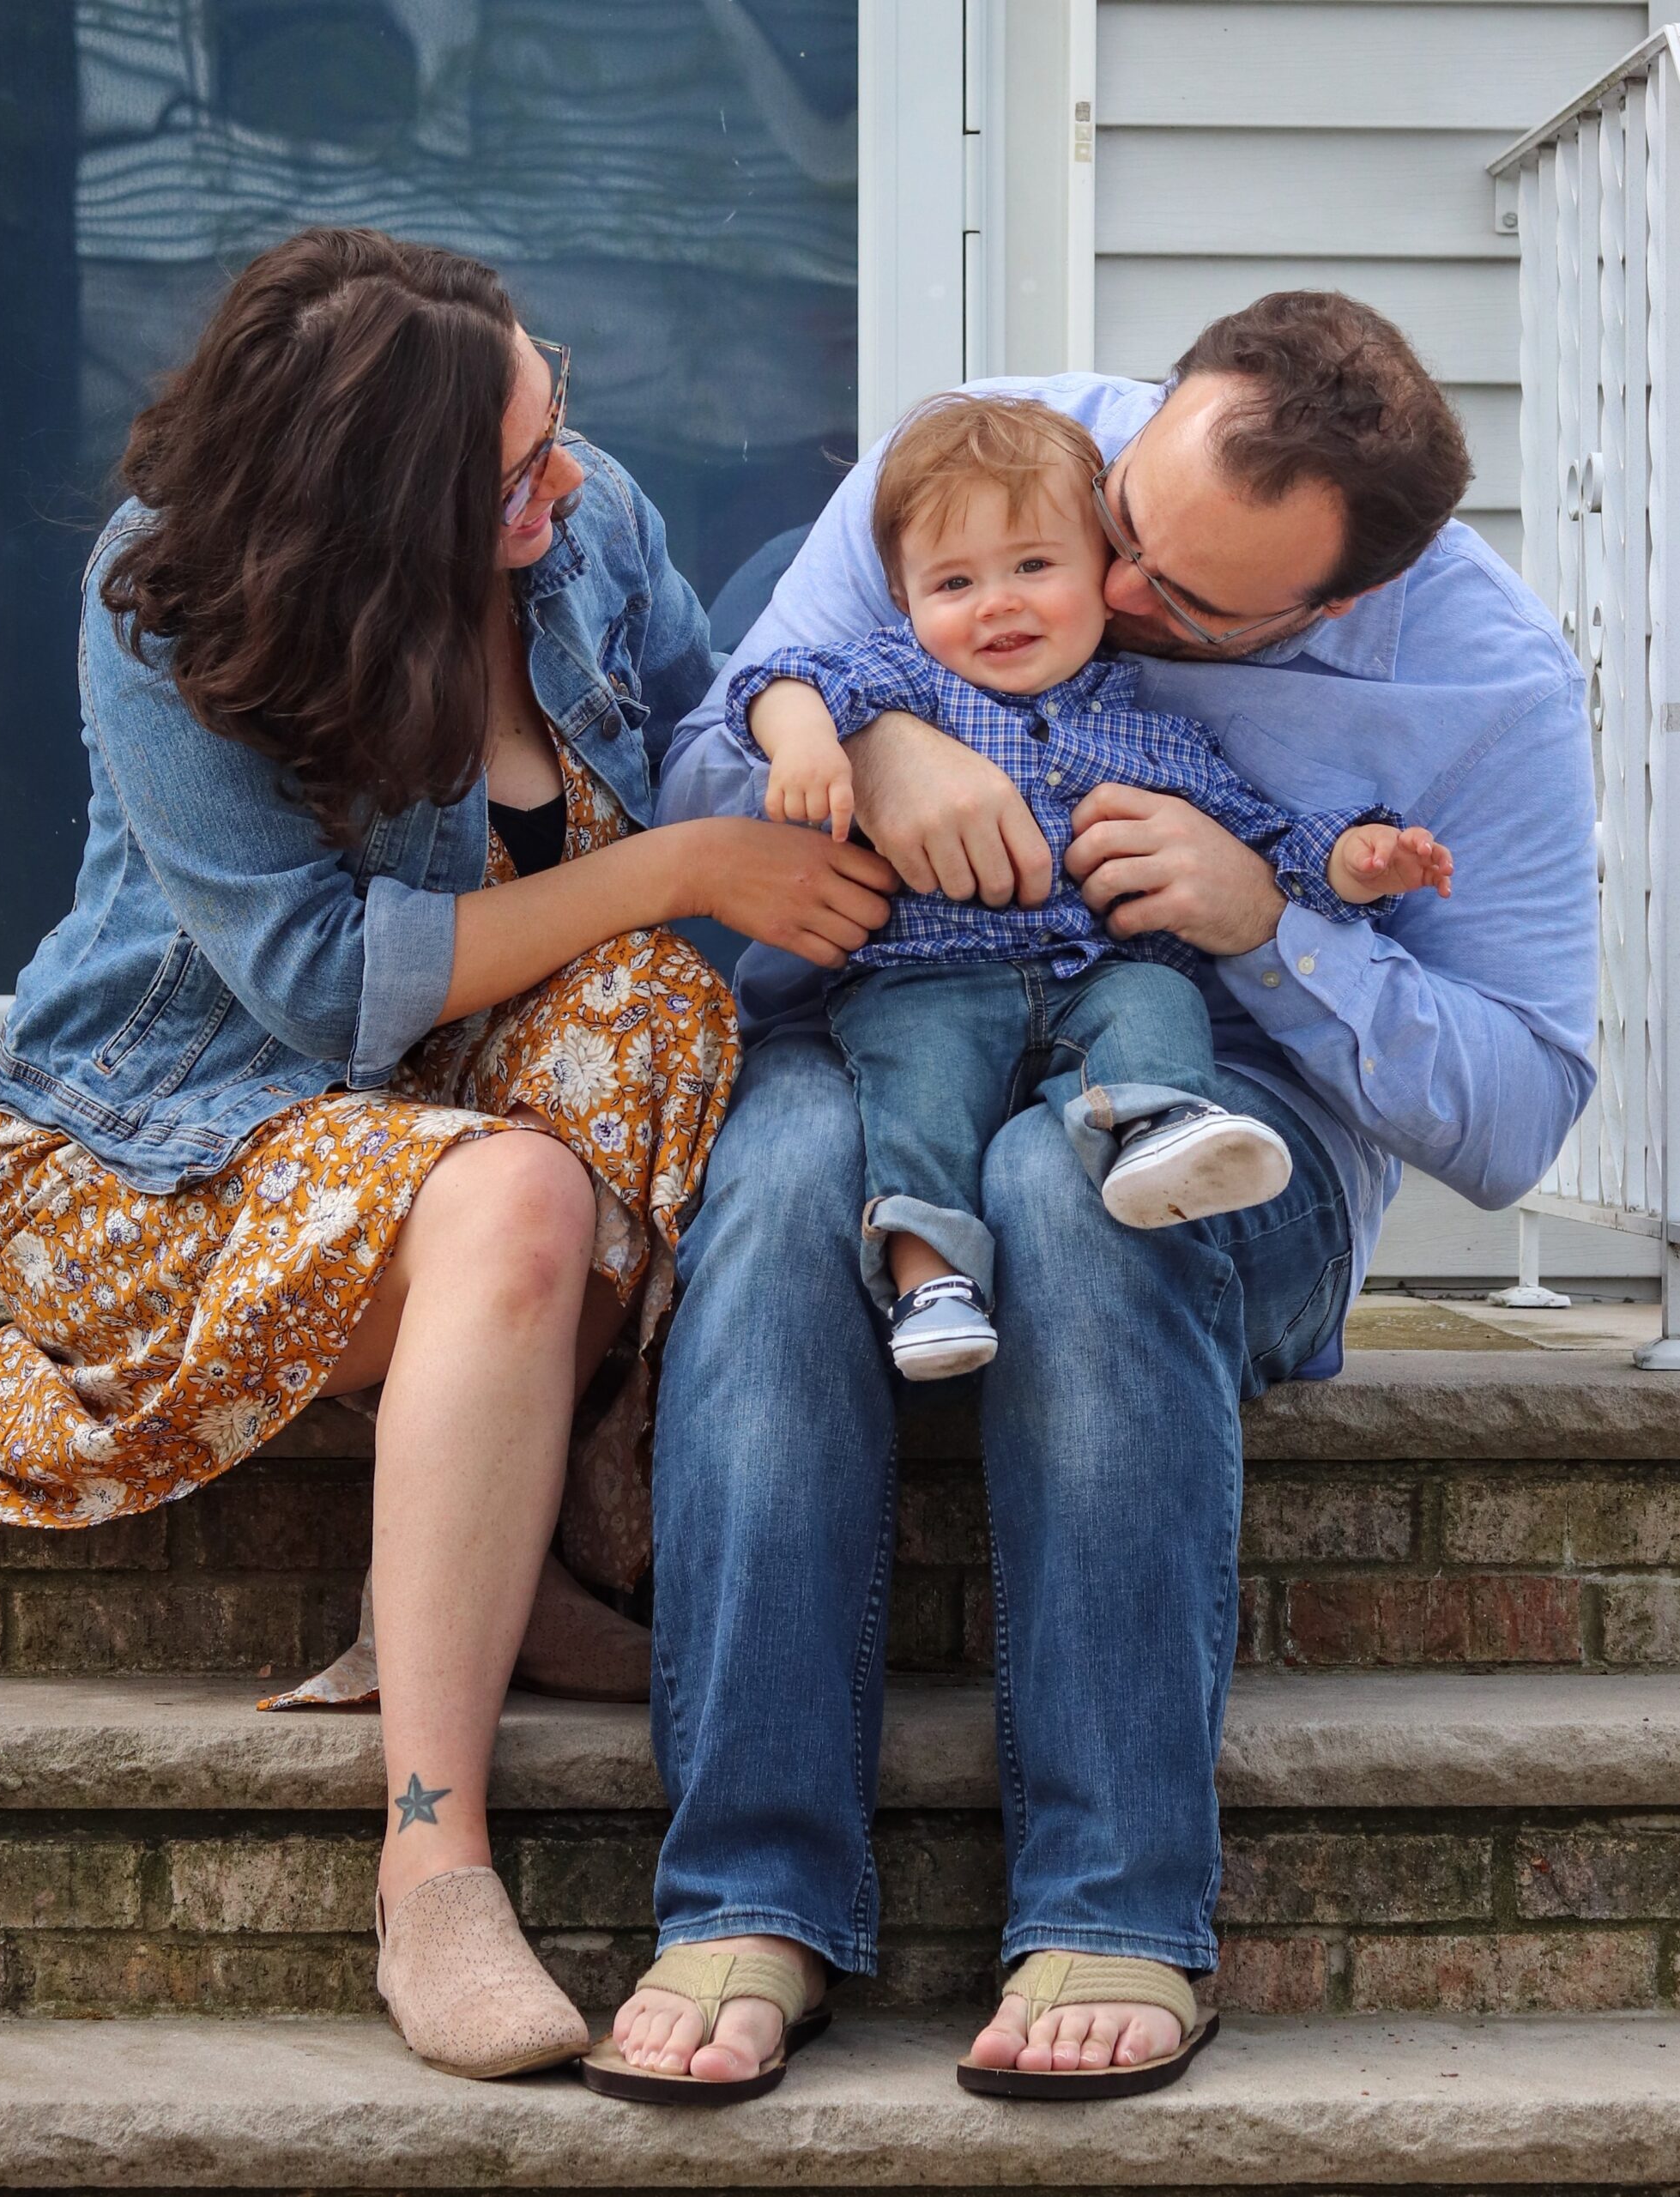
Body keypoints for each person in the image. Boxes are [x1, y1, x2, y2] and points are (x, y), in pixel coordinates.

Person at [592, 292, 1597, 2103]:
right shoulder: (989, 456)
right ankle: (747, 1892)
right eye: (1121, 522)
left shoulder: (1489, 685)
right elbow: (703, 781)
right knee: (787, 1166)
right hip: (897, 1030)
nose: (1113, 594)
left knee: (1083, 1195)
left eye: (1186, 603)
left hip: (1228, 1125)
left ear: (1334, 601)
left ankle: (1117, 1905)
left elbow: (1520, 1111)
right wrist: (883, 745)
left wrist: (1268, 923)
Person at [0, 227, 891, 2083]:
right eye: (510, 474)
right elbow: (312, 985)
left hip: (444, 1126)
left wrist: (809, 725)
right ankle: (431, 1858)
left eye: (555, 427)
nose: (564, 484)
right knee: (531, 1162)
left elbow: (695, 716)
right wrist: (680, 868)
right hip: (167, 1144)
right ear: (363, 504)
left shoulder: (582, 514)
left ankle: (471, 1536)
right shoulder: (175, 591)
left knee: (660, 1019)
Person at [730, 393, 1452, 1380]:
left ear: (1104, 579)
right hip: (927, 980)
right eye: (953, 581)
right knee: (917, 1094)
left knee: (1154, 998)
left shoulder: (1149, 731)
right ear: (904, 603)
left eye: (1033, 566)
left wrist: (1354, 858)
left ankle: (1157, 1125)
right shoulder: (904, 681)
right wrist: (815, 738)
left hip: (1091, 976)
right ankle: (931, 1275)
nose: (998, 602)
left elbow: (1261, 836)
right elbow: (778, 681)